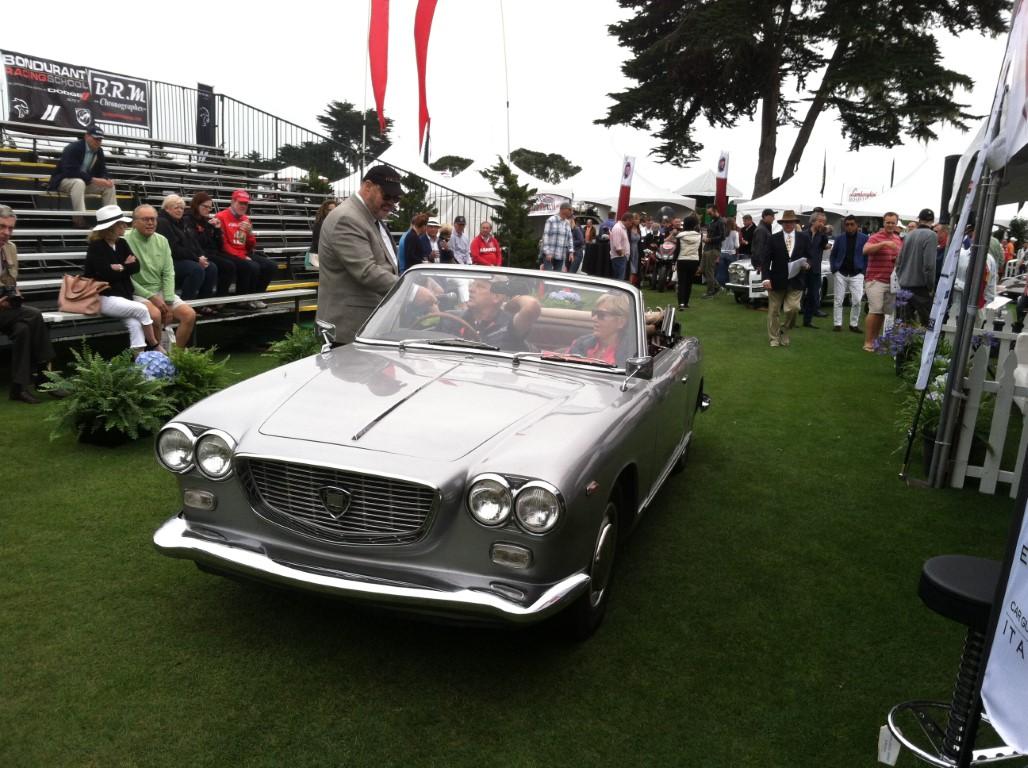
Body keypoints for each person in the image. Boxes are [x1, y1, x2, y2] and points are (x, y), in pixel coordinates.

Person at [316, 165, 434, 344]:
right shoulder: (347, 218)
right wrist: (412, 291)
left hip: (366, 327)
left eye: (396, 198)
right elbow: (366, 271)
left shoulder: (370, 217)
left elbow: (388, 265)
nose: (392, 203)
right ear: (367, 186)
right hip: (348, 330)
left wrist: (421, 281)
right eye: (387, 196)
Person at [84, 205, 162, 354]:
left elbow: (136, 266)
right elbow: (106, 274)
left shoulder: (122, 243)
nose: (125, 226)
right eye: (121, 224)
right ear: (111, 227)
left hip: (124, 296)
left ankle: (139, 361)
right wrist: (125, 266)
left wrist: (120, 267)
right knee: (142, 309)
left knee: (135, 324)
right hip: (102, 297)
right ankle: (155, 344)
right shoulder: (96, 247)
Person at [0, 205, 55, 403]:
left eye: (11, 228)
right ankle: (44, 375)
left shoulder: (10, 248)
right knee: (33, 314)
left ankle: (18, 388)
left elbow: (10, 281)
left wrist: (13, 294)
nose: (7, 232)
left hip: (5, 309)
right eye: (2, 227)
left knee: (23, 329)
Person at [125, 204, 196, 348]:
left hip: (159, 290)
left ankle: (176, 355)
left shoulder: (162, 240)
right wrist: (151, 297)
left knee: (189, 315)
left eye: (153, 219)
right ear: (135, 223)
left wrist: (168, 300)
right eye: (145, 219)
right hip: (136, 292)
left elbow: (169, 272)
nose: (150, 223)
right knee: (155, 315)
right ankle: (159, 354)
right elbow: (125, 277)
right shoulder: (124, 240)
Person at [437, 275, 541, 351]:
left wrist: (513, 302)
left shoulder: (508, 325)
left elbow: (531, 306)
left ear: (496, 297)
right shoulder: (450, 318)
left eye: (480, 286)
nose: (471, 289)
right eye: (472, 284)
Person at [215, 189, 276, 308]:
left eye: (246, 204)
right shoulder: (221, 216)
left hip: (242, 252)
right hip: (227, 253)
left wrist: (250, 233)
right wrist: (242, 256)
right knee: (251, 266)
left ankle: (256, 297)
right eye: (240, 203)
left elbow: (250, 246)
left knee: (271, 266)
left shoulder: (245, 219)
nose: (243, 206)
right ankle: (242, 299)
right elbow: (222, 244)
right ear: (233, 202)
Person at [47, 126, 116, 225]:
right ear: (86, 136)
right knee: (79, 183)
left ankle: (112, 220)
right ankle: (79, 219)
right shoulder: (72, 148)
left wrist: (107, 179)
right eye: (95, 138)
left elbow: (103, 170)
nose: (98, 141)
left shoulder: (99, 151)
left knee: (109, 186)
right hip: (64, 180)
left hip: (84, 182)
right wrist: (93, 180)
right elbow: (70, 172)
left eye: (100, 139)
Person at [760, 210, 810, 347]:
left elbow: (810, 256)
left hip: (796, 280)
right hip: (776, 280)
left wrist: (807, 264)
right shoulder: (773, 238)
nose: (788, 224)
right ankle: (774, 339)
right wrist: (765, 278)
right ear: (782, 223)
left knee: (793, 308)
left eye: (791, 222)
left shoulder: (804, 238)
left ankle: (785, 329)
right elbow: (765, 260)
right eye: (785, 222)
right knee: (773, 311)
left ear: (795, 223)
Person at [157, 194, 218, 304]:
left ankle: (203, 303)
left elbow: (192, 242)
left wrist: (201, 255)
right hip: (169, 261)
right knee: (196, 269)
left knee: (211, 266)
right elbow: (173, 249)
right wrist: (196, 259)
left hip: (183, 258)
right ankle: (186, 303)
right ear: (166, 208)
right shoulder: (162, 222)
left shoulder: (180, 222)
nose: (180, 210)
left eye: (182, 208)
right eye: (176, 207)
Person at [862, 211, 903, 352]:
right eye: (888, 222)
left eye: (893, 222)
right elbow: (865, 250)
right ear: (883, 222)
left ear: (896, 224)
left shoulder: (898, 239)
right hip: (875, 279)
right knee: (875, 309)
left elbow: (900, 257)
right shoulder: (875, 237)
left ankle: (875, 340)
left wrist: (896, 259)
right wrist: (884, 244)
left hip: (891, 281)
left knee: (883, 312)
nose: (890, 225)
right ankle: (868, 341)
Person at [183, 192, 234, 299]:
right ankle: (209, 298)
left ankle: (221, 298)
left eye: (210, 207)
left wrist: (217, 230)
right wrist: (207, 229)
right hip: (198, 253)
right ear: (197, 205)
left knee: (233, 263)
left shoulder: (205, 221)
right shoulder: (187, 219)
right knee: (223, 266)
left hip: (210, 252)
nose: (208, 210)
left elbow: (218, 245)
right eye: (205, 206)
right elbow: (195, 242)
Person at [894, 208, 937, 325]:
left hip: (904, 285)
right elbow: (929, 265)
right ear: (932, 221)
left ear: (919, 219)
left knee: (903, 324)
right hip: (920, 287)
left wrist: (900, 278)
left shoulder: (909, 235)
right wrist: (930, 286)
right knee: (927, 325)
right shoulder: (931, 235)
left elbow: (899, 261)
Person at [568, 291, 635, 367]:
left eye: (601, 315)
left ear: (621, 322)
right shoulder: (580, 344)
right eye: (594, 313)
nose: (594, 318)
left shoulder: (631, 354)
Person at [829, 215, 867, 333]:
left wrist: (863, 271)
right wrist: (834, 269)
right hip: (841, 272)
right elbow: (833, 255)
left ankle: (853, 324)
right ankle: (837, 324)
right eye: (847, 224)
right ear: (844, 226)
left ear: (857, 225)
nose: (849, 227)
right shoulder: (839, 238)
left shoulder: (864, 238)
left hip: (857, 273)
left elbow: (867, 256)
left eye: (852, 224)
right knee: (838, 299)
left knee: (857, 300)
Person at [801, 211, 830, 327]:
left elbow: (825, 245)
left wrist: (824, 232)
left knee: (813, 295)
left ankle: (807, 321)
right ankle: (791, 319)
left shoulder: (822, 236)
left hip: (815, 269)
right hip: (802, 269)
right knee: (797, 294)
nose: (822, 223)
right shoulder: (803, 234)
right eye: (820, 221)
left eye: (823, 222)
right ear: (813, 221)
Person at [676, 214, 702, 309]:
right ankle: (686, 303)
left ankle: (681, 303)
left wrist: (674, 261)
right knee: (689, 283)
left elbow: (677, 250)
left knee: (681, 282)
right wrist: (699, 263)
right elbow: (699, 250)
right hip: (694, 260)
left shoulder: (680, 235)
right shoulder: (699, 236)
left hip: (682, 260)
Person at [540, 201, 574, 272]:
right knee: (548, 276)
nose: (571, 212)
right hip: (549, 254)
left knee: (557, 276)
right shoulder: (551, 220)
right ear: (563, 209)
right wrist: (547, 252)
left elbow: (570, 238)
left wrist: (571, 252)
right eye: (570, 209)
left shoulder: (567, 223)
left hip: (561, 255)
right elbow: (545, 236)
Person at [701, 203, 725, 298]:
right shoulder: (712, 221)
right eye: (708, 213)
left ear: (715, 210)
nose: (709, 215)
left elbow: (722, 236)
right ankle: (716, 286)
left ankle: (710, 292)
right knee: (703, 269)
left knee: (709, 271)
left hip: (714, 249)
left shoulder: (720, 222)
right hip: (707, 248)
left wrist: (710, 239)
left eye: (710, 213)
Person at [308, 199, 338, 269]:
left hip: (329, 254)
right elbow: (317, 242)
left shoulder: (336, 222)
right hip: (318, 255)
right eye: (329, 210)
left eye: (334, 210)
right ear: (324, 211)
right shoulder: (319, 223)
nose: (332, 212)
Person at [716, 217, 738, 292]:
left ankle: (722, 286)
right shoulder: (735, 233)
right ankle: (731, 288)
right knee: (732, 272)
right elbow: (737, 245)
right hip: (731, 254)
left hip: (722, 253)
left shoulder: (722, 232)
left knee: (722, 271)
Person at [750, 208, 775, 273]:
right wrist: (759, 264)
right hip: (761, 264)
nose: (774, 218)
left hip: (765, 262)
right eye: (772, 216)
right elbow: (759, 248)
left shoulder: (765, 228)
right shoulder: (761, 230)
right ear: (765, 216)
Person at [609, 211, 632, 280]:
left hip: (620, 258)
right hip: (618, 258)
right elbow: (617, 246)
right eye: (631, 222)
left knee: (619, 279)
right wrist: (622, 255)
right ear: (627, 220)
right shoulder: (618, 228)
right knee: (619, 280)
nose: (631, 224)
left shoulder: (622, 228)